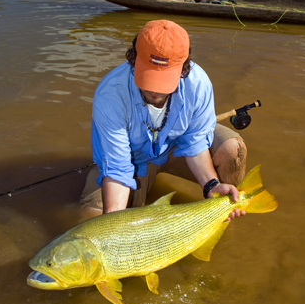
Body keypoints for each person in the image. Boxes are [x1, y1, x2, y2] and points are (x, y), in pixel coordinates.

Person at [90, 19, 247, 219]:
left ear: (183, 68)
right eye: (148, 75)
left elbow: (195, 142)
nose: (154, 89)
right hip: (132, 157)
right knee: (91, 217)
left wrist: (211, 185)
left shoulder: (198, 84)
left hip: (176, 148)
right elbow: (118, 168)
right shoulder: (109, 94)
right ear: (133, 59)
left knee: (234, 150)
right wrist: (112, 221)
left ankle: (220, 211)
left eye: (163, 79)